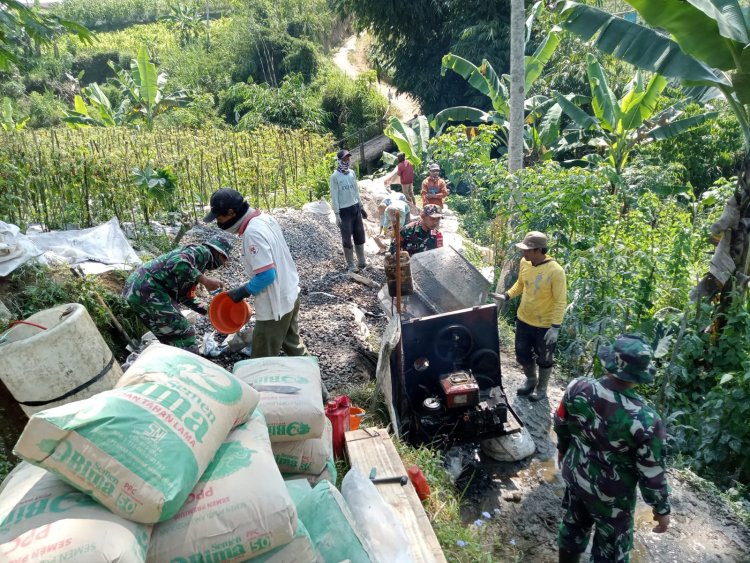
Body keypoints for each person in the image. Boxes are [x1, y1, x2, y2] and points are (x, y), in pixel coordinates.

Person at [554, 334, 671, 563]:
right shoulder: (646, 420)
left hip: (576, 476)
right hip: (613, 498)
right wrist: (661, 509)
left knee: (573, 527)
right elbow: (652, 473)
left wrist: (563, 450)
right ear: (639, 375)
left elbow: (561, 424)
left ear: (609, 363)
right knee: (611, 551)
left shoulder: (577, 387)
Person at [203, 187, 308, 359]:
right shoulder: (265, 218)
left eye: (220, 217)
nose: (218, 222)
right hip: (289, 294)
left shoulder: (253, 233)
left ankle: (258, 386)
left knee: (262, 359)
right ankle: (315, 381)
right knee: (293, 345)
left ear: (232, 212)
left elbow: (267, 275)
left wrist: (241, 291)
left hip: (275, 307)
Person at [123, 237, 232, 353]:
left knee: (169, 336)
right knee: (184, 333)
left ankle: (173, 366)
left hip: (137, 291)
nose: (222, 264)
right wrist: (206, 281)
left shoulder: (197, 264)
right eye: (224, 261)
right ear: (220, 254)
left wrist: (211, 311)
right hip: (149, 289)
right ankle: (190, 366)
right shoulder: (202, 252)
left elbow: (186, 296)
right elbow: (176, 261)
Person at [496, 231, 566, 401]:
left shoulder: (555, 271)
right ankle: (531, 380)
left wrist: (555, 327)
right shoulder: (524, 263)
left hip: (545, 325)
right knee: (522, 354)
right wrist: (507, 295)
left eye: (527, 250)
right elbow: (521, 284)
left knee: (545, 357)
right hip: (524, 319)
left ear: (538, 250)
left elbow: (560, 301)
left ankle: (542, 389)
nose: (523, 253)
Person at [329, 148, 367, 272]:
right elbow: (334, 196)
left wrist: (361, 207)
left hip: (355, 207)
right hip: (344, 210)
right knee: (346, 237)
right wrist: (337, 214)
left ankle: (361, 260)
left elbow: (356, 191)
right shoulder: (335, 177)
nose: (347, 160)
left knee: (359, 234)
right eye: (344, 158)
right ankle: (350, 263)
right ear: (339, 160)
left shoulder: (351, 173)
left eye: (348, 158)